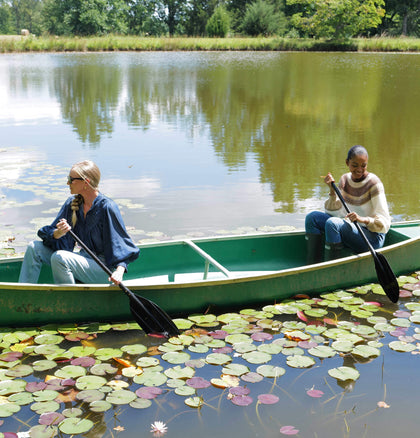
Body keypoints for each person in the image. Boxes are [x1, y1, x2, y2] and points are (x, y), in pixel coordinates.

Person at [19, 160, 139, 284]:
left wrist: (119, 272)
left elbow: (121, 246)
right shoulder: (71, 204)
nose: (68, 183)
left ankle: (69, 296)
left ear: (86, 182)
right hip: (83, 259)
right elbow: (60, 241)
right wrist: (57, 233)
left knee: (59, 258)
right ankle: (24, 292)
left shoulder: (107, 207)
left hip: (104, 269)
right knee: (34, 248)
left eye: (71, 179)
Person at [305, 145, 391, 263]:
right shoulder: (345, 179)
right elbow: (334, 213)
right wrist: (332, 191)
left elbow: (385, 223)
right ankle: (312, 264)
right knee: (312, 218)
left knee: (333, 224)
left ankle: (332, 268)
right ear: (347, 162)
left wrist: (361, 219)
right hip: (351, 228)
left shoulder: (374, 183)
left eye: (363, 165)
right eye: (355, 165)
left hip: (372, 238)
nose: (359, 170)